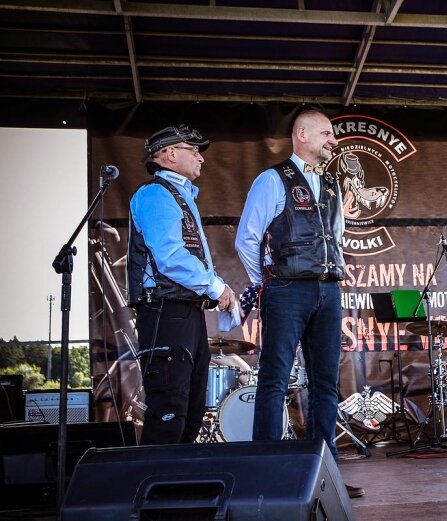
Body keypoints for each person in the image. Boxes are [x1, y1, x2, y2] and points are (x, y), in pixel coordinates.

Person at [235, 110, 363, 498]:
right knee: (274, 381)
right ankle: (266, 471)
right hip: (286, 290)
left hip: (327, 292)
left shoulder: (331, 187)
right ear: (301, 134)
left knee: (326, 384)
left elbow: (336, 240)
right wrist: (265, 285)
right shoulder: (272, 180)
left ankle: (327, 473)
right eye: (326, 133)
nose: (333, 141)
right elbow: (247, 239)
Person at [127, 124, 236, 445]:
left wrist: (213, 288)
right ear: (170, 154)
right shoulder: (155, 194)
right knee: (169, 406)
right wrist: (217, 287)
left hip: (184, 311)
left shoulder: (180, 196)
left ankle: (178, 485)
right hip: (164, 310)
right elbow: (170, 256)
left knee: (190, 405)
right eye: (194, 150)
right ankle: (155, 489)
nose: (201, 158)